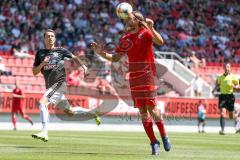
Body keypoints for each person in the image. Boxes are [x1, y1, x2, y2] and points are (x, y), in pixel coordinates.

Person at [91, 11, 171, 155]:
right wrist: (100, 52)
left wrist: (151, 27)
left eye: (131, 17)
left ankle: (164, 136)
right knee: (142, 112)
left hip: (148, 76)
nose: (128, 19)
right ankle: (153, 141)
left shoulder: (145, 33)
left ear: (138, 20)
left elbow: (160, 42)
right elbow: (115, 58)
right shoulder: (125, 38)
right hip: (134, 78)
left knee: (153, 110)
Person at [31, 29, 101, 142]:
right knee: (70, 112)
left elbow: (74, 57)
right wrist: (43, 64)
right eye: (48, 36)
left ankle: (44, 132)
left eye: (52, 36)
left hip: (59, 83)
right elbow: (34, 72)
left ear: (55, 38)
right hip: (50, 87)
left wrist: (84, 67)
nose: (50, 38)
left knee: (42, 103)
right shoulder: (40, 53)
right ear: (44, 39)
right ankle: (92, 113)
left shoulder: (61, 51)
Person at [213, 63, 239, 135]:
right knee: (222, 113)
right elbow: (217, 84)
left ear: (230, 68)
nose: (226, 68)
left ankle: (238, 121)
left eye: (228, 67)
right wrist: (214, 90)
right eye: (225, 67)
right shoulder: (220, 77)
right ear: (223, 68)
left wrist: (235, 87)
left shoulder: (233, 77)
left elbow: (238, 87)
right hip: (222, 97)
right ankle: (223, 130)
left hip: (230, 96)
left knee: (231, 116)